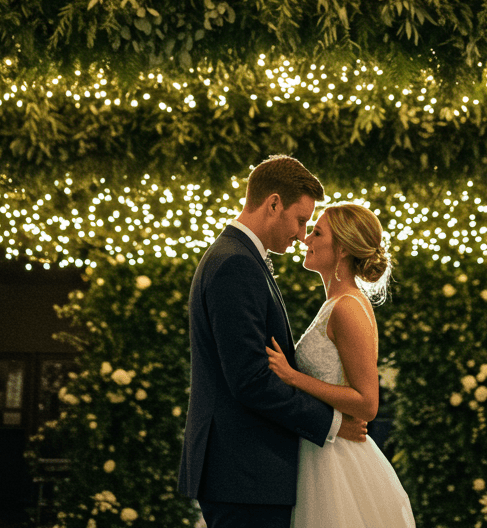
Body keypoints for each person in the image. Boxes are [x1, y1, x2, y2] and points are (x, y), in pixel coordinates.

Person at [178, 155, 369, 528]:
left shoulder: (241, 257)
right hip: (245, 472)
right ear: (274, 204)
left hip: (246, 473)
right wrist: (332, 423)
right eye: (300, 220)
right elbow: (251, 380)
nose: (301, 234)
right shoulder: (235, 263)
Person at [265, 202, 416, 528]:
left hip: (337, 461)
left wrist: (293, 377)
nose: (306, 239)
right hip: (319, 447)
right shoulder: (334, 304)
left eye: (317, 233)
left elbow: (367, 403)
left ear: (343, 249)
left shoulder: (347, 308)